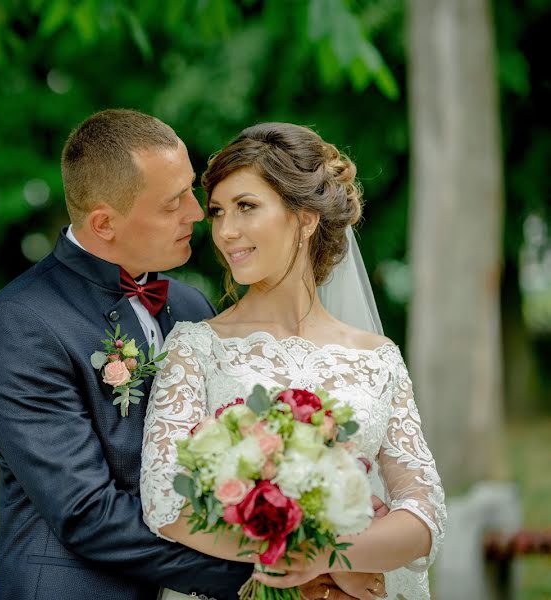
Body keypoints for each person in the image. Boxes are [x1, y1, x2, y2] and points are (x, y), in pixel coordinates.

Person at [0, 110, 378, 599]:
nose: (198, 214)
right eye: (172, 203)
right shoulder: (21, 326)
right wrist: (270, 572)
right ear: (104, 223)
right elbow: (87, 513)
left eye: (190, 190)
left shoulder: (187, 307)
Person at [140, 122, 447, 600]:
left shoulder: (377, 358)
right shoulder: (195, 348)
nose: (225, 231)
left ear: (305, 219)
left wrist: (330, 557)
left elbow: (424, 512)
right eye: (218, 212)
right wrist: (290, 558)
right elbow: (165, 504)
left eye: (246, 207)